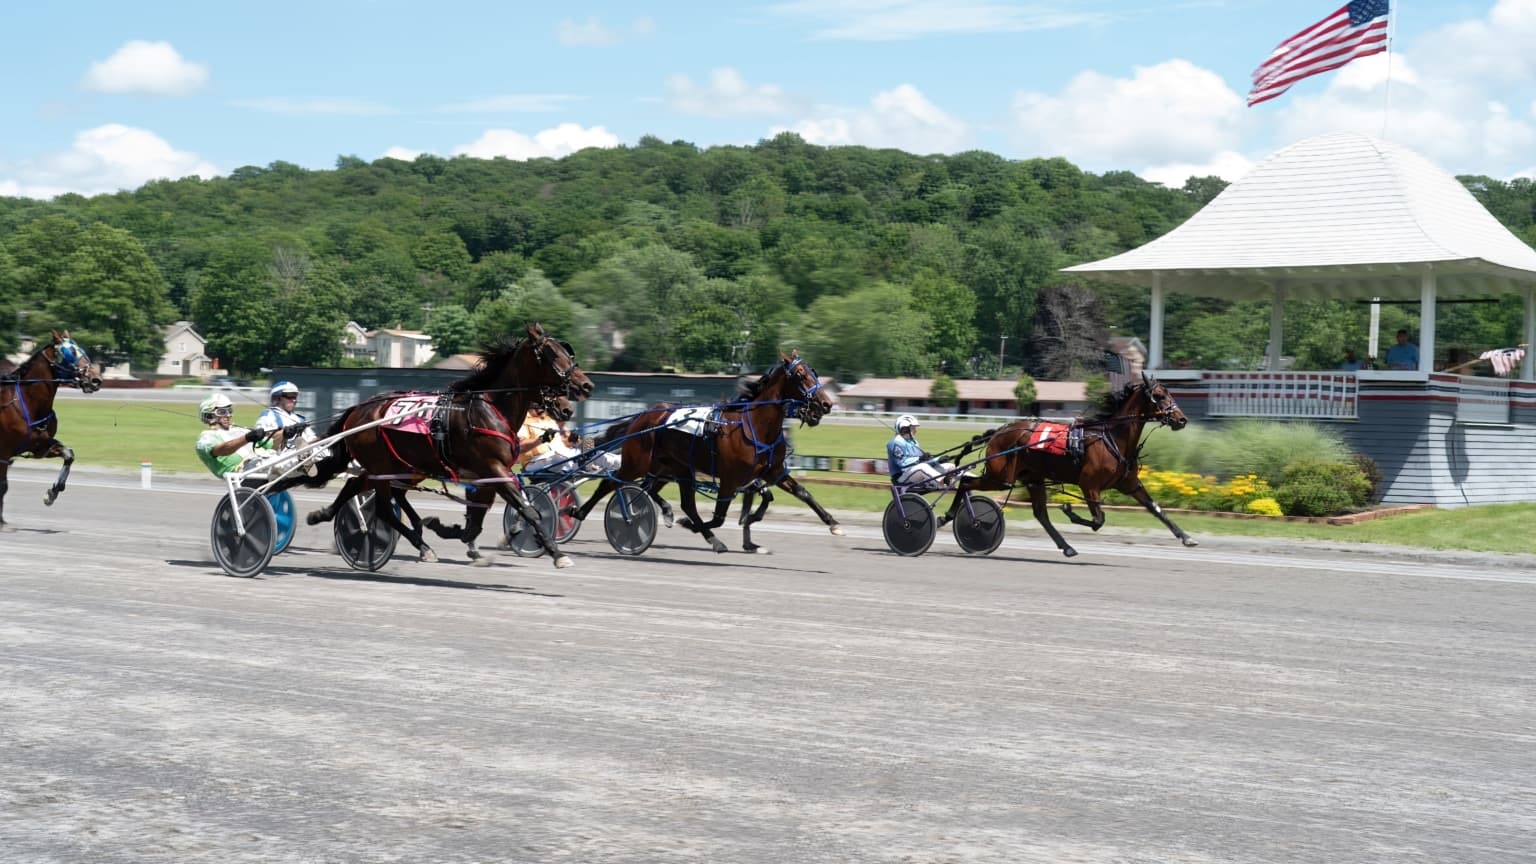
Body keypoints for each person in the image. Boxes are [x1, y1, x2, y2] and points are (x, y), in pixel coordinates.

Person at [518, 405, 620, 475]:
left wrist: (572, 440)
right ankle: (583, 464)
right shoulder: (523, 420)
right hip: (534, 462)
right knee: (559, 457)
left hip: (561, 456)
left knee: (591, 450)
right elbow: (520, 446)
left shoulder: (549, 419)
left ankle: (620, 463)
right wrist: (542, 439)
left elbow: (560, 443)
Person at [194, 393, 273, 478]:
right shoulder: (206, 438)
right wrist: (247, 438)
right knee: (284, 463)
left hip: (266, 460)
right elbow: (222, 450)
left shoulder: (241, 430)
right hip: (245, 472)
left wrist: (285, 432)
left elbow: (274, 444)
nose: (228, 415)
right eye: (222, 412)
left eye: (229, 411)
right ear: (209, 415)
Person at [886, 415, 956, 490]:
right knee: (922, 467)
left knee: (950, 466)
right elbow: (903, 464)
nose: (916, 431)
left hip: (914, 473)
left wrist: (938, 460)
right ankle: (941, 483)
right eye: (913, 428)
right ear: (904, 429)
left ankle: (957, 483)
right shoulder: (895, 442)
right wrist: (920, 459)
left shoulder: (913, 442)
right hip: (901, 478)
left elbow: (923, 461)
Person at [255, 381, 310, 449]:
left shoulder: (300, 419)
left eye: (295, 397)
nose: (294, 400)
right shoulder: (268, 416)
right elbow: (264, 444)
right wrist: (284, 433)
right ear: (278, 398)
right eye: (290, 396)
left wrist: (323, 437)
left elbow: (310, 442)